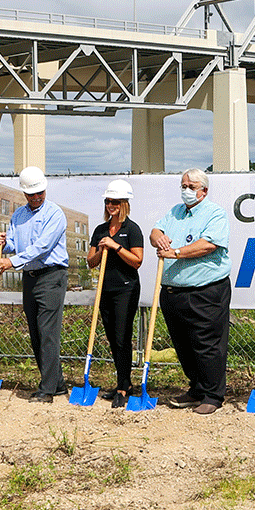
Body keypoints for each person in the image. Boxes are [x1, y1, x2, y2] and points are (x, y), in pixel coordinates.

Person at [149, 168, 232, 416]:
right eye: (183, 185)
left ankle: (213, 394)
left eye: (192, 186)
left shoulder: (214, 213)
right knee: (183, 345)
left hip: (205, 291)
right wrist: (158, 238)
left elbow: (208, 245)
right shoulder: (175, 212)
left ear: (204, 190)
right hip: (173, 292)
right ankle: (196, 389)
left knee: (207, 344)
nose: (186, 190)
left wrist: (175, 252)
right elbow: (156, 231)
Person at [0, 167, 69, 403]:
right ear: (24, 194)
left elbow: (42, 247)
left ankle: (46, 390)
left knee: (48, 332)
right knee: (36, 332)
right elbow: (14, 243)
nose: (37, 197)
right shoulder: (19, 215)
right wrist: (3, 243)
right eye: (32, 194)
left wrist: (11, 261)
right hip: (30, 276)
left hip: (51, 275)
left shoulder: (55, 214)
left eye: (40, 193)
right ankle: (56, 383)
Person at [87, 179, 146, 408]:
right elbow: (90, 262)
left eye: (116, 201)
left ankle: (124, 386)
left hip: (126, 288)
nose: (111, 205)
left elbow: (137, 261)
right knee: (112, 337)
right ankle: (124, 382)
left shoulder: (132, 229)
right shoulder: (100, 230)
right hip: (105, 289)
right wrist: (102, 249)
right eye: (108, 201)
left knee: (122, 336)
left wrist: (116, 247)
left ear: (124, 203)